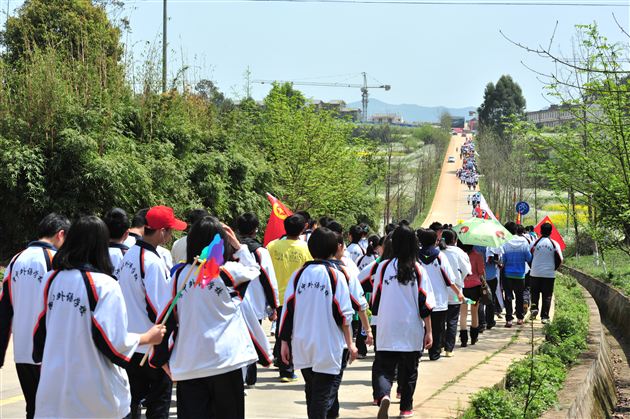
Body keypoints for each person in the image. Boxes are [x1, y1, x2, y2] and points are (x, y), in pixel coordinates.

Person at [32, 216, 166, 419]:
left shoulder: (50, 280)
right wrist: (148, 337)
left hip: (54, 393)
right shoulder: (104, 284)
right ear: (100, 245)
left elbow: (39, 335)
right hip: (96, 396)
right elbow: (114, 344)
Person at [165, 216, 263, 419]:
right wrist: (239, 246)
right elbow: (255, 270)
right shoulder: (228, 273)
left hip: (190, 363)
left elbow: (166, 318)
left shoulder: (178, 277)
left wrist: (161, 359)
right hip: (226, 361)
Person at [279, 227, 358, 419]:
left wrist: (284, 341)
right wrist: (350, 344)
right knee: (323, 393)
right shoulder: (334, 274)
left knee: (312, 390)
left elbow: (287, 310)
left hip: (303, 342)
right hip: (328, 343)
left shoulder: (298, 275)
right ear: (334, 249)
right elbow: (344, 314)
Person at [117, 205, 187, 418]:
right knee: (158, 404)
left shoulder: (129, 255)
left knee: (131, 403)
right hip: (150, 347)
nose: (171, 235)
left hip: (132, 343)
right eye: (170, 230)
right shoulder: (152, 262)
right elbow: (161, 309)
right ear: (162, 231)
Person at [0, 213, 70, 419]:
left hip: (22, 351)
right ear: (61, 234)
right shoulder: (55, 260)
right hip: (47, 351)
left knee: (33, 407)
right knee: (54, 410)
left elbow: (5, 308)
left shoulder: (16, 260)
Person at [371, 225, 435, 419]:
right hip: (411, 329)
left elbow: (375, 301)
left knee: (384, 367)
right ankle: (405, 408)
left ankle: (383, 395)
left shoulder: (382, 267)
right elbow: (425, 304)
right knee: (409, 372)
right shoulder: (418, 269)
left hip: (387, 328)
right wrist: (429, 331)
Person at [267, 214, 312, 382]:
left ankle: (281, 359)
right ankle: (286, 369)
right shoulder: (306, 249)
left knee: (282, 328)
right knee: (290, 331)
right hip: (297, 296)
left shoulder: (272, 246)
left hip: (277, 295)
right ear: (303, 228)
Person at [235, 212, 279, 387]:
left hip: (233, 301)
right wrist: (273, 306)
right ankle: (250, 377)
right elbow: (269, 279)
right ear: (256, 229)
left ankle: (239, 375)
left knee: (238, 337)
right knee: (253, 336)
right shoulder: (260, 251)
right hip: (255, 302)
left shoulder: (230, 248)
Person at [417, 229, 463, 360]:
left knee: (421, 326)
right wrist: (458, 293)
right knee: (438, 328)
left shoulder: (416, 256)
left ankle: (418, 351)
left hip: (421, 298)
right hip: (439, 299)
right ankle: (434, 353)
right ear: (436, 240)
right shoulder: (440, 256)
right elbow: (449, 279)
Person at [440, 229, 471, 357]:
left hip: (439, 291)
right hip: (456, 291)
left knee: (440, 320)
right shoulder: (460, 253)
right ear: (455, 240)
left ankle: (440, 345)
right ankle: (449, 349)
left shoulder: (438, 252)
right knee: (452, 320)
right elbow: (467, 271)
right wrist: (460, 279)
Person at [529, 223, 563, 323]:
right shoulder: (554, 244)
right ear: (551, 232)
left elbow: (529, 256)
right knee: (547, 295)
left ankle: (534, 310)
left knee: (534, 293)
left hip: (535, 273)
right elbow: (560, 259)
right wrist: (553, 268)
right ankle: (544, 317)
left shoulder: (534, 243)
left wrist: (533, 267)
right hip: (549, 274)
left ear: (540, 231)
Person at [500, 222, 532, 328]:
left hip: (507, 274)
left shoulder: (505, 242)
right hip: (520, 275)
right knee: (519, 297)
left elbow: (503, 260)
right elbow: (529, 258)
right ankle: (520, 318)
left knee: (508, 296)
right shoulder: (524, 242)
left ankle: (509, 319)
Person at [460, 244, 485, 346]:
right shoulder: (478, 256)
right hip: (475, 288)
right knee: (474, 312)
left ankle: (463, 339)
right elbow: (481, 271)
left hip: (463, 288)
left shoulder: (459, 255)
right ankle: (474, 337)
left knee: (463, 313)